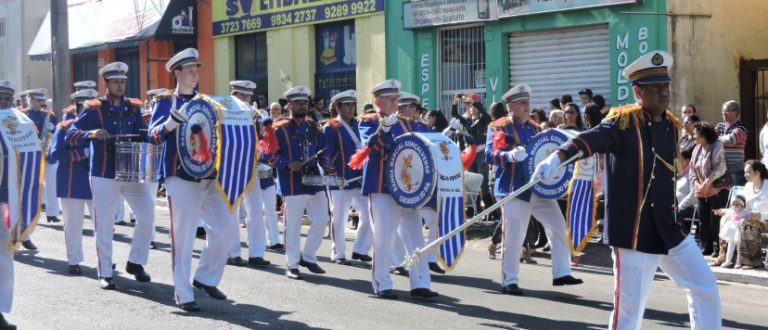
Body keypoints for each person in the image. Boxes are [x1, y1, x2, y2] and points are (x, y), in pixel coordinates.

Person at [534, 51, 721, 329]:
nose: (663, 92)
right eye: (656, 87)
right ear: (638, 90)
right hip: (635, 233)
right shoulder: (622, 122)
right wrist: (558, 157)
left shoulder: (672, 125)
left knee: (705, 286)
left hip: (670, 229)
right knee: (630, 311)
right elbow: (591, 138)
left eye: (666, 86)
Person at [148, 48, 232, 312]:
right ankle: (183, 293)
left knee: (225, 228)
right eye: (190, 70)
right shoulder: (165, 102)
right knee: (183, 237)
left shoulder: (208, 103)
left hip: (208, 174)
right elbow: (152, 135)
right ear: (177, 72)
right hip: (180, 175)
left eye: (197, 70)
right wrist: (170, 123)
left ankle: (205, 276)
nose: (195, 75)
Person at [65, 62, 156, 290]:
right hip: (104, 173)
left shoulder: (134, 108)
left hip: (131, 172)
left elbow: (144, 134)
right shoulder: (95, 108)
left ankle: (135, 262)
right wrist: (91, 133)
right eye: (115, 81)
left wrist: (157, 135)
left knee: (147, 216)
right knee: (104, 224)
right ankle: (104, 273)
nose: (120, 85)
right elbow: (70, 134)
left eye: (123, 81)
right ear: (106, 83)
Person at [485, 83, 582, 296]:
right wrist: (508, 156)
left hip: (539, 189)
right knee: (513, 237)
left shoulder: (536, 128)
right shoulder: (499, 126)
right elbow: (489, 155)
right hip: (514, 189)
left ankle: (561, 272)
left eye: (528, 102)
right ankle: (509, 280)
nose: (527, 106)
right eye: (522, 103)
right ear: (511, 107)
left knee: (558, 227)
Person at [356, 79, 438, 300]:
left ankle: (420, 282)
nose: (395, 102)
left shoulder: (407, 123)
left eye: (396, 98)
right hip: (381, 186)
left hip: (407, 188)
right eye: (390, 99)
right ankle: (382, 282)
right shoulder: (368, 121)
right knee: (384, 236)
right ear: (378, 101)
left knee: (415, 236)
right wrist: (385, 130)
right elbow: (370, 146)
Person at [271, 85, 330, 280]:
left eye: (304, 102)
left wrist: (328, 166)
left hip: (314, 179)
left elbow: (324, 152)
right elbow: (267, 153)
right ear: (289, 104)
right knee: (293, 225)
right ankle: (292, 264)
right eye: (297, 102)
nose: (302, 105)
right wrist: (287, 164)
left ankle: (308, 256)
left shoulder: (315, 126)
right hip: (292, 181)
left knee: (322, 219)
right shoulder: (279, 128)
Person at [0, 79, 44, 330]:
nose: (3, 104)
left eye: (7, 100)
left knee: (4, 257)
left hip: (6, 200)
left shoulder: (18, 124)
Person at [322, 90, 373, 265]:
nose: (351, 108)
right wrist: (330, 170)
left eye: (353, 105)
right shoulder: (331, 127)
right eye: (347, 105)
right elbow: (326, 153)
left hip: (358, 179)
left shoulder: (359, 125)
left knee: (369, 213)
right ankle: (338, 253)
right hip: (339, 180)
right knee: (339, 217)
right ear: (338, 107)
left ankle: (360, 249)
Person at [51, 88, 98, 275]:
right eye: (84, 107)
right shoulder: (64, 127)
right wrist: (82, 153)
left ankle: (104, 260)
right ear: (77, 108)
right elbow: (55, 154)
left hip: (97, 183)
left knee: (102, 226)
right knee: (73, 225)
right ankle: (74, 260)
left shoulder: (101, 128)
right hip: (72, 183)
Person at [225, 80, 271, 268]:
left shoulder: (255, 114)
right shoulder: (224, 112)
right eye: (243, 96)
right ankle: (233, 252)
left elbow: (262, 141)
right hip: (231, 166)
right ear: (234, 94)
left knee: (255, 210)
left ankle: (256, 253)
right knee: (232, 210)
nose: (246, 99)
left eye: (249, 96)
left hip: (251, 165)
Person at [690, 122, 729, 258]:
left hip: (717, 190)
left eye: (696, 134)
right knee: (703, 220)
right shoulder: (696, 148)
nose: (693, 136)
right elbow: (692, 169)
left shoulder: (717, 145)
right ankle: (706, 247)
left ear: (704, 135)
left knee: (715, 221)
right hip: (702, 190)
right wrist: (696, 184)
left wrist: (707, 183)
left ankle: (718, 248)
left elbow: (721, 167)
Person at [22, 88, 60, 226]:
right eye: (38, 100)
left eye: (41, 100)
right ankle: (31, 214)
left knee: (51, 184)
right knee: (32, 186)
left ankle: (53, 213)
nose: (40, 103)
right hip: (32, 153)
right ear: (30, 99)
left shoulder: (49, 115)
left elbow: (55, 131)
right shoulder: (22, 114)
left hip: (48, 154)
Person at [734, 160, 767, 269]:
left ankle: (753, 261)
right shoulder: (748, 186)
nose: (745, 175)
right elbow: (743, 207)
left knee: (748, 224)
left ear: (757, 173)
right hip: (750, 218)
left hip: (766, 221)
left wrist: (761, 215)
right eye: (744, 172)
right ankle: (727, 256)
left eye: (748, 172)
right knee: (730, 220)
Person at [716, 100, 748, 185]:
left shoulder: (741, 126)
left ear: (735, 112)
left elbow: (731, 140)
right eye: (723, 111)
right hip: (720, 168)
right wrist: (720, 139)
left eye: (727, 111)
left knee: (735, 194)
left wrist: (717, 139)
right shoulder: (720, 126)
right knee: (722, 196)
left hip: (735, 169)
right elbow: (711, 140)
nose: (724, 113)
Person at [713, 195, 748, 268]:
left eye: (737, 205)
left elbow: (751, 214)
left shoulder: (744, 212)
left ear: (742, 206)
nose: (735, 206)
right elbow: (724, 210)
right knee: (730, 247)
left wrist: (753, 215)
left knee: (739, 248)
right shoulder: (731, 210)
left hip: (739, 233)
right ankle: (728, 261)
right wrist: (719, 211)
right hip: (731, 233)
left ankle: (738, 262)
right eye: (733, 204)